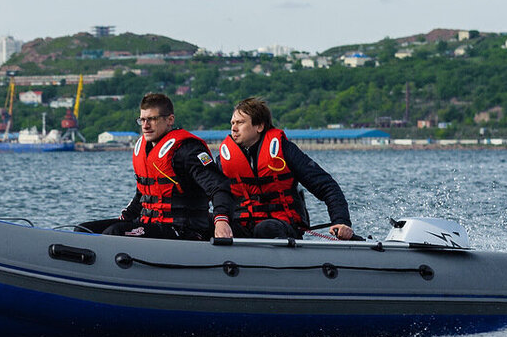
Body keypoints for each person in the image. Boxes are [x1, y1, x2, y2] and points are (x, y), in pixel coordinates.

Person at [100, 93, 234, 241]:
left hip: (183, 230)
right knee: (86, 230)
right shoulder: (146, 151)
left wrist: (221, 220)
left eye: (152, 119)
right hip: (150, 225)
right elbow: (143, 195)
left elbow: (218, 187)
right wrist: (125, 218)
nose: (145, 126)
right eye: (142, 120)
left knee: (114, 233)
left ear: (170, 120)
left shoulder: (188, 150)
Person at [219, 97, 354, 239]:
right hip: (243, 227)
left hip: (281, 226)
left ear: (259, 126)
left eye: (240, 122)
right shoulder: (224, 159)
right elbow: (213, 191)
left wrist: (341, 221)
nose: (234, 128)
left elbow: (327, 186)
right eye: (232, 123)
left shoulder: (284, 150)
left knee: (265, 228)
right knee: (205, 223)